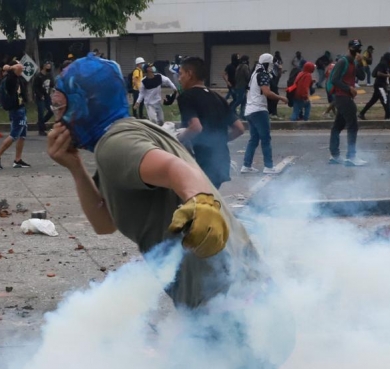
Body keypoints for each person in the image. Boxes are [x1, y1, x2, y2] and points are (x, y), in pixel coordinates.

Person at [46, 53, 259, 311]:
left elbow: (175, 168)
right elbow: (104, 223)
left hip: (226, 302)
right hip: (245, 291)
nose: (57, 117)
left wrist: (200, 202)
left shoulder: (116, 144)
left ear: (85, 105)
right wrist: (75, 166)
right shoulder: (129, 132)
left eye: (60, 106)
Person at [176, 56, 245, 188]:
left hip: (201, 161)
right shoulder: (217, 97)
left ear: (189, 74)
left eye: (181, 74)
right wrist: (220, 140)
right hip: (221, 160)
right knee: (211, 203)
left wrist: (177, 140)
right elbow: (239, 128)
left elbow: (195, 127)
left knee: (197, 204)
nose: (179, 79)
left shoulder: (186, 96)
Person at [242, 53, 289, 174]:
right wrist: (281, 98)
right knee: (265, 139)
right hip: (259, 110)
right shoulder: (263, 75)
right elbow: (267, 92)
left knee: (253, 139)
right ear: (268, 63)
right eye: (272, 63)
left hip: (250, 110)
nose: (273, 66)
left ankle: (246, 166)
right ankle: (268, 166)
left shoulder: (254, 74)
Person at [327, 39, 368, 167]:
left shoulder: (354, 63)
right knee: (353, 125)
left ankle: (334, 155)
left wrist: (360, 63)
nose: (357, 50)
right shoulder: (342, 61)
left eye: (359, 48)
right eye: (355, 47)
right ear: (349, 47)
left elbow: (362, 77)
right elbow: (334, 80)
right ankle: (351, 156)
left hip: (345, 97)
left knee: (338, 126)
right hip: (342, 97)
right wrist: (348, 88)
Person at [0, 63, 31, 170]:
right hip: (16, 111)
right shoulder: (10, 80)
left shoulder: (18, 78)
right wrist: (11, 68)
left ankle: (18, 160)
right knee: (14, 135)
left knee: (22, 136)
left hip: (21, 108)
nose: (21, 68)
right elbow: (7, 68)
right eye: (19, 68)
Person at [359, 52, 390, 120]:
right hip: (380, 85)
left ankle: (362, 113)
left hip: (382, 85)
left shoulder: (387, 64)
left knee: (373, 101)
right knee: (385, 100)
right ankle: (388, 116)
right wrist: (388, 75)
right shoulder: (382, 64)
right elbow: (379, 73)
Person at [33, 61, 54, 136]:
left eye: (49, 65)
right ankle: (41, 130)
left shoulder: (49, 75)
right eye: (47, 65)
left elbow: (52, 85)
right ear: (44, 66)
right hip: (40, 97)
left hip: (47, 96)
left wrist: (51, 93)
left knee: (51, 111)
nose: (49, 66)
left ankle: (41, 123)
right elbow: (35, 87)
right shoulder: (39, 76)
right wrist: (39, 95)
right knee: (41, 112)